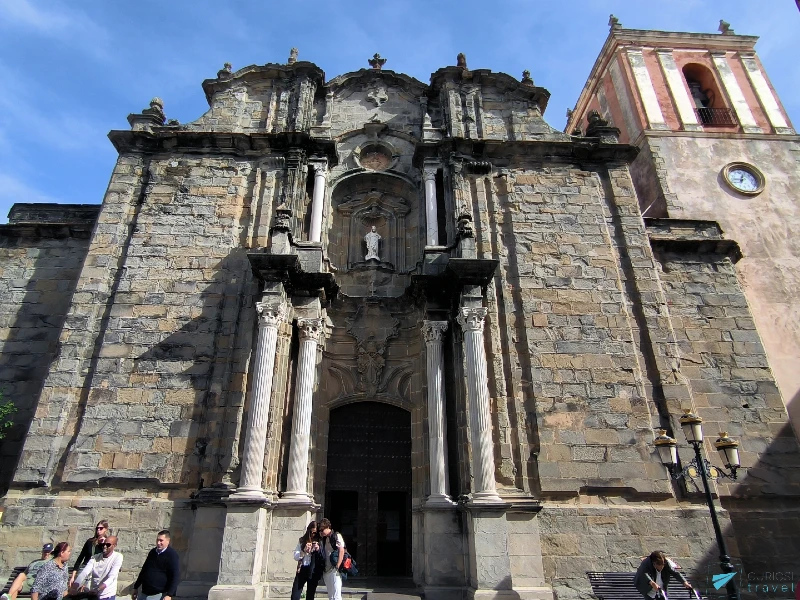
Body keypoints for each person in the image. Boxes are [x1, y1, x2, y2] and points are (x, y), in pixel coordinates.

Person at [131, 530, 180, 600]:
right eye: (157, 540)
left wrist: (169, 594)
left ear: (168, 541)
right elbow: (144, 570)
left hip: (158, 594)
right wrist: (135, 587)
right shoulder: (153, 552)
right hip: (144, 593)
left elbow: (175, 575)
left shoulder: (172, 555)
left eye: (161, 540)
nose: (158, 543)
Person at [71, 536, 123, 600]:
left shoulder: (118, 557)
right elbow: (84, 573)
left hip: (107, 595)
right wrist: (74, 587)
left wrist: (98, 589)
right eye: (103, 544)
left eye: (108, 545)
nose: (105, 546)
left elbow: (112, 577)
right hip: (94, 594)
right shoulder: (95, 557)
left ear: (114, 545)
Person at [291, 522, 324, 600]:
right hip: (302, 569)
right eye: (311, 532)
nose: (313, 535)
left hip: (313, 570)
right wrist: (304, 551)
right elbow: (295, 556)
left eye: (315, 533)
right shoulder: (302, 540)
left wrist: (318, 549)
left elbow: (324, 557)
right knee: (295, 595)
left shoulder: (320, 541)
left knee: (310, 596)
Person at [72, 521, 110, 585]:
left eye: (101, 528)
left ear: (105, 529)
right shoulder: (90, 541)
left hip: (97, 571)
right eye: (97, 528)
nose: (98, 530)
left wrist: (103, 543)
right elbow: (80, 557)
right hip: (85, 568)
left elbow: (107, 557)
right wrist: (73, 576)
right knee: (80, 591)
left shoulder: (108, 543)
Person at [319, 519, 344, 600]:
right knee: (330, 595)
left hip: (334, 568)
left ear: (328, 527)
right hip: (326, 569)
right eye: (320, 530)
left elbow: (341, 550)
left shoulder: (336, 535)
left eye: (322, 529)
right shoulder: (323, 539)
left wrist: (338, 566)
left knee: (336, 594)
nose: (321, 531)